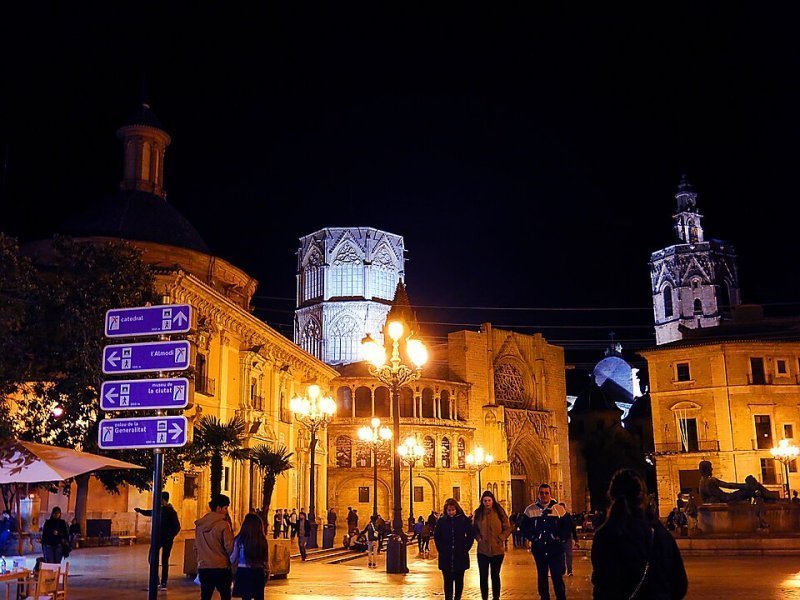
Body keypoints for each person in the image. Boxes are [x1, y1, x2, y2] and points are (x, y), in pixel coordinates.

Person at [591, 469, 688, 599]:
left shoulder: (604, 535)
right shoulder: (660, 534)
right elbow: (680, 585)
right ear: (643, 497)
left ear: (611, 496)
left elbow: (602, 588)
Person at [521, 483, 569, 600]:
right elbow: (524, 528)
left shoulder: (559, 509)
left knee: (557, 576)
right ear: (538, 494)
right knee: (542, 576)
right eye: (541, 493)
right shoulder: (530, 510)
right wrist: (534, 538)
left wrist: (560, 538)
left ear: (550, 494)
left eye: (546, 493)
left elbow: (567, 527)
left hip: (555, 549)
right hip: (539, 549)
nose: (544, 495)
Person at [134, 491, 182, 590]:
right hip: (158, 539)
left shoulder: (171, 512)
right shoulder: (158, 510)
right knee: (152, 558)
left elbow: (177, 527)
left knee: (165, 560)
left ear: (163, 500)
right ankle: (156, 581)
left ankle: (163, 583)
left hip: (167, 540)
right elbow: (149, 512)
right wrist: (140, 511)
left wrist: (170, 536)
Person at [473, 490, 512, 600]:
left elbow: (508, 527)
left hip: (497, 550)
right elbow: (474, 528)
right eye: (485, 500)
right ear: (482, 501)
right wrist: (479, 538)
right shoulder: (478, 513)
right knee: (483, 576)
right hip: (483, 550)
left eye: (489, 500)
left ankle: (496, 597)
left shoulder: (499, 512)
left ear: (493, 501)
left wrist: (501, 538)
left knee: (495, 576)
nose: (487, 503)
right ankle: (484, 597)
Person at [195, 493, 234, 600]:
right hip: (221, 567)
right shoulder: (224, 525)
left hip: (204, 567)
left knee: (205, 596)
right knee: (225, 595)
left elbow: (196, 546)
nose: (226, 511)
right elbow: (229, 547)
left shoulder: (200, 525)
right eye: (225, 508)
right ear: (218, 508)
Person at [433, 498, 474, 600]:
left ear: (457, 509)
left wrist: (465, 549)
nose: (451, 512)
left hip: (460, 555)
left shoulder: (464, 520)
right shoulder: (441, 521)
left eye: (453, 510)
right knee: (447, 581)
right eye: (449, 510)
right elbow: (437, 536)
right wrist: (441, 550)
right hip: (446, 556)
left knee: (459, 580)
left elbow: (470, 535)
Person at [230, 513, 269, 600]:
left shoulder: (240, 539)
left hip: (243, 571)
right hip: (258, 571)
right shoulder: (262, 540)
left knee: (246, 597)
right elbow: (266, 559)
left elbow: (233, 557)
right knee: (259, 597)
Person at [558, 502, 579, 577]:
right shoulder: (556, 517)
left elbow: (573, 528)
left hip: (567, 539)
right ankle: (562, 570)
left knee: (569, 555)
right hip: (559, 540)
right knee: (561, 556)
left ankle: (569, 571)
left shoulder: (568, 517)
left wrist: (576, 540)